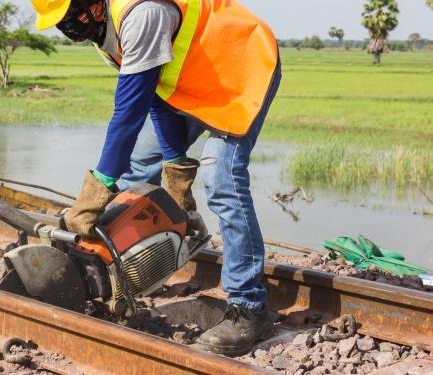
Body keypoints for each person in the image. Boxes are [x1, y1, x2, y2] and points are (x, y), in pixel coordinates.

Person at [31, 0, 281, 356]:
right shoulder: (107, 34)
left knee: (221, 176)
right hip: (192, 86)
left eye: (71, 16)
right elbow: (157, 92)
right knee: (140, 164)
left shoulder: (142, 13)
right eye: (61, 22)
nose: (69, 26)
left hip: (240, 70)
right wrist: (175, 161)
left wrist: (99, 185)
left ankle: (250, 307)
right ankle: (117, 271)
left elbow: (127, 113)